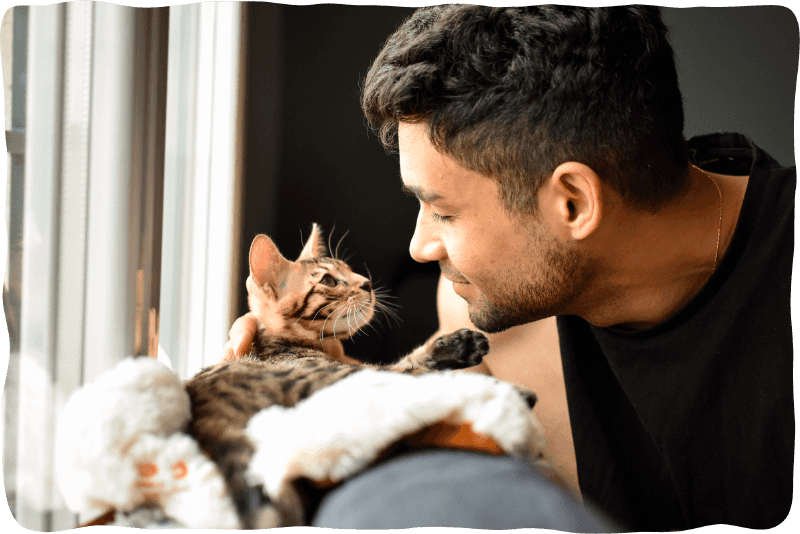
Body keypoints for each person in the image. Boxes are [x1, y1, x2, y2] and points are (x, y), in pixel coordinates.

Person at [226, 5, 794, 531]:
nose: (420, 247)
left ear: (572, 202)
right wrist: (319, 384)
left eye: (442, 210)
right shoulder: (482, 324)